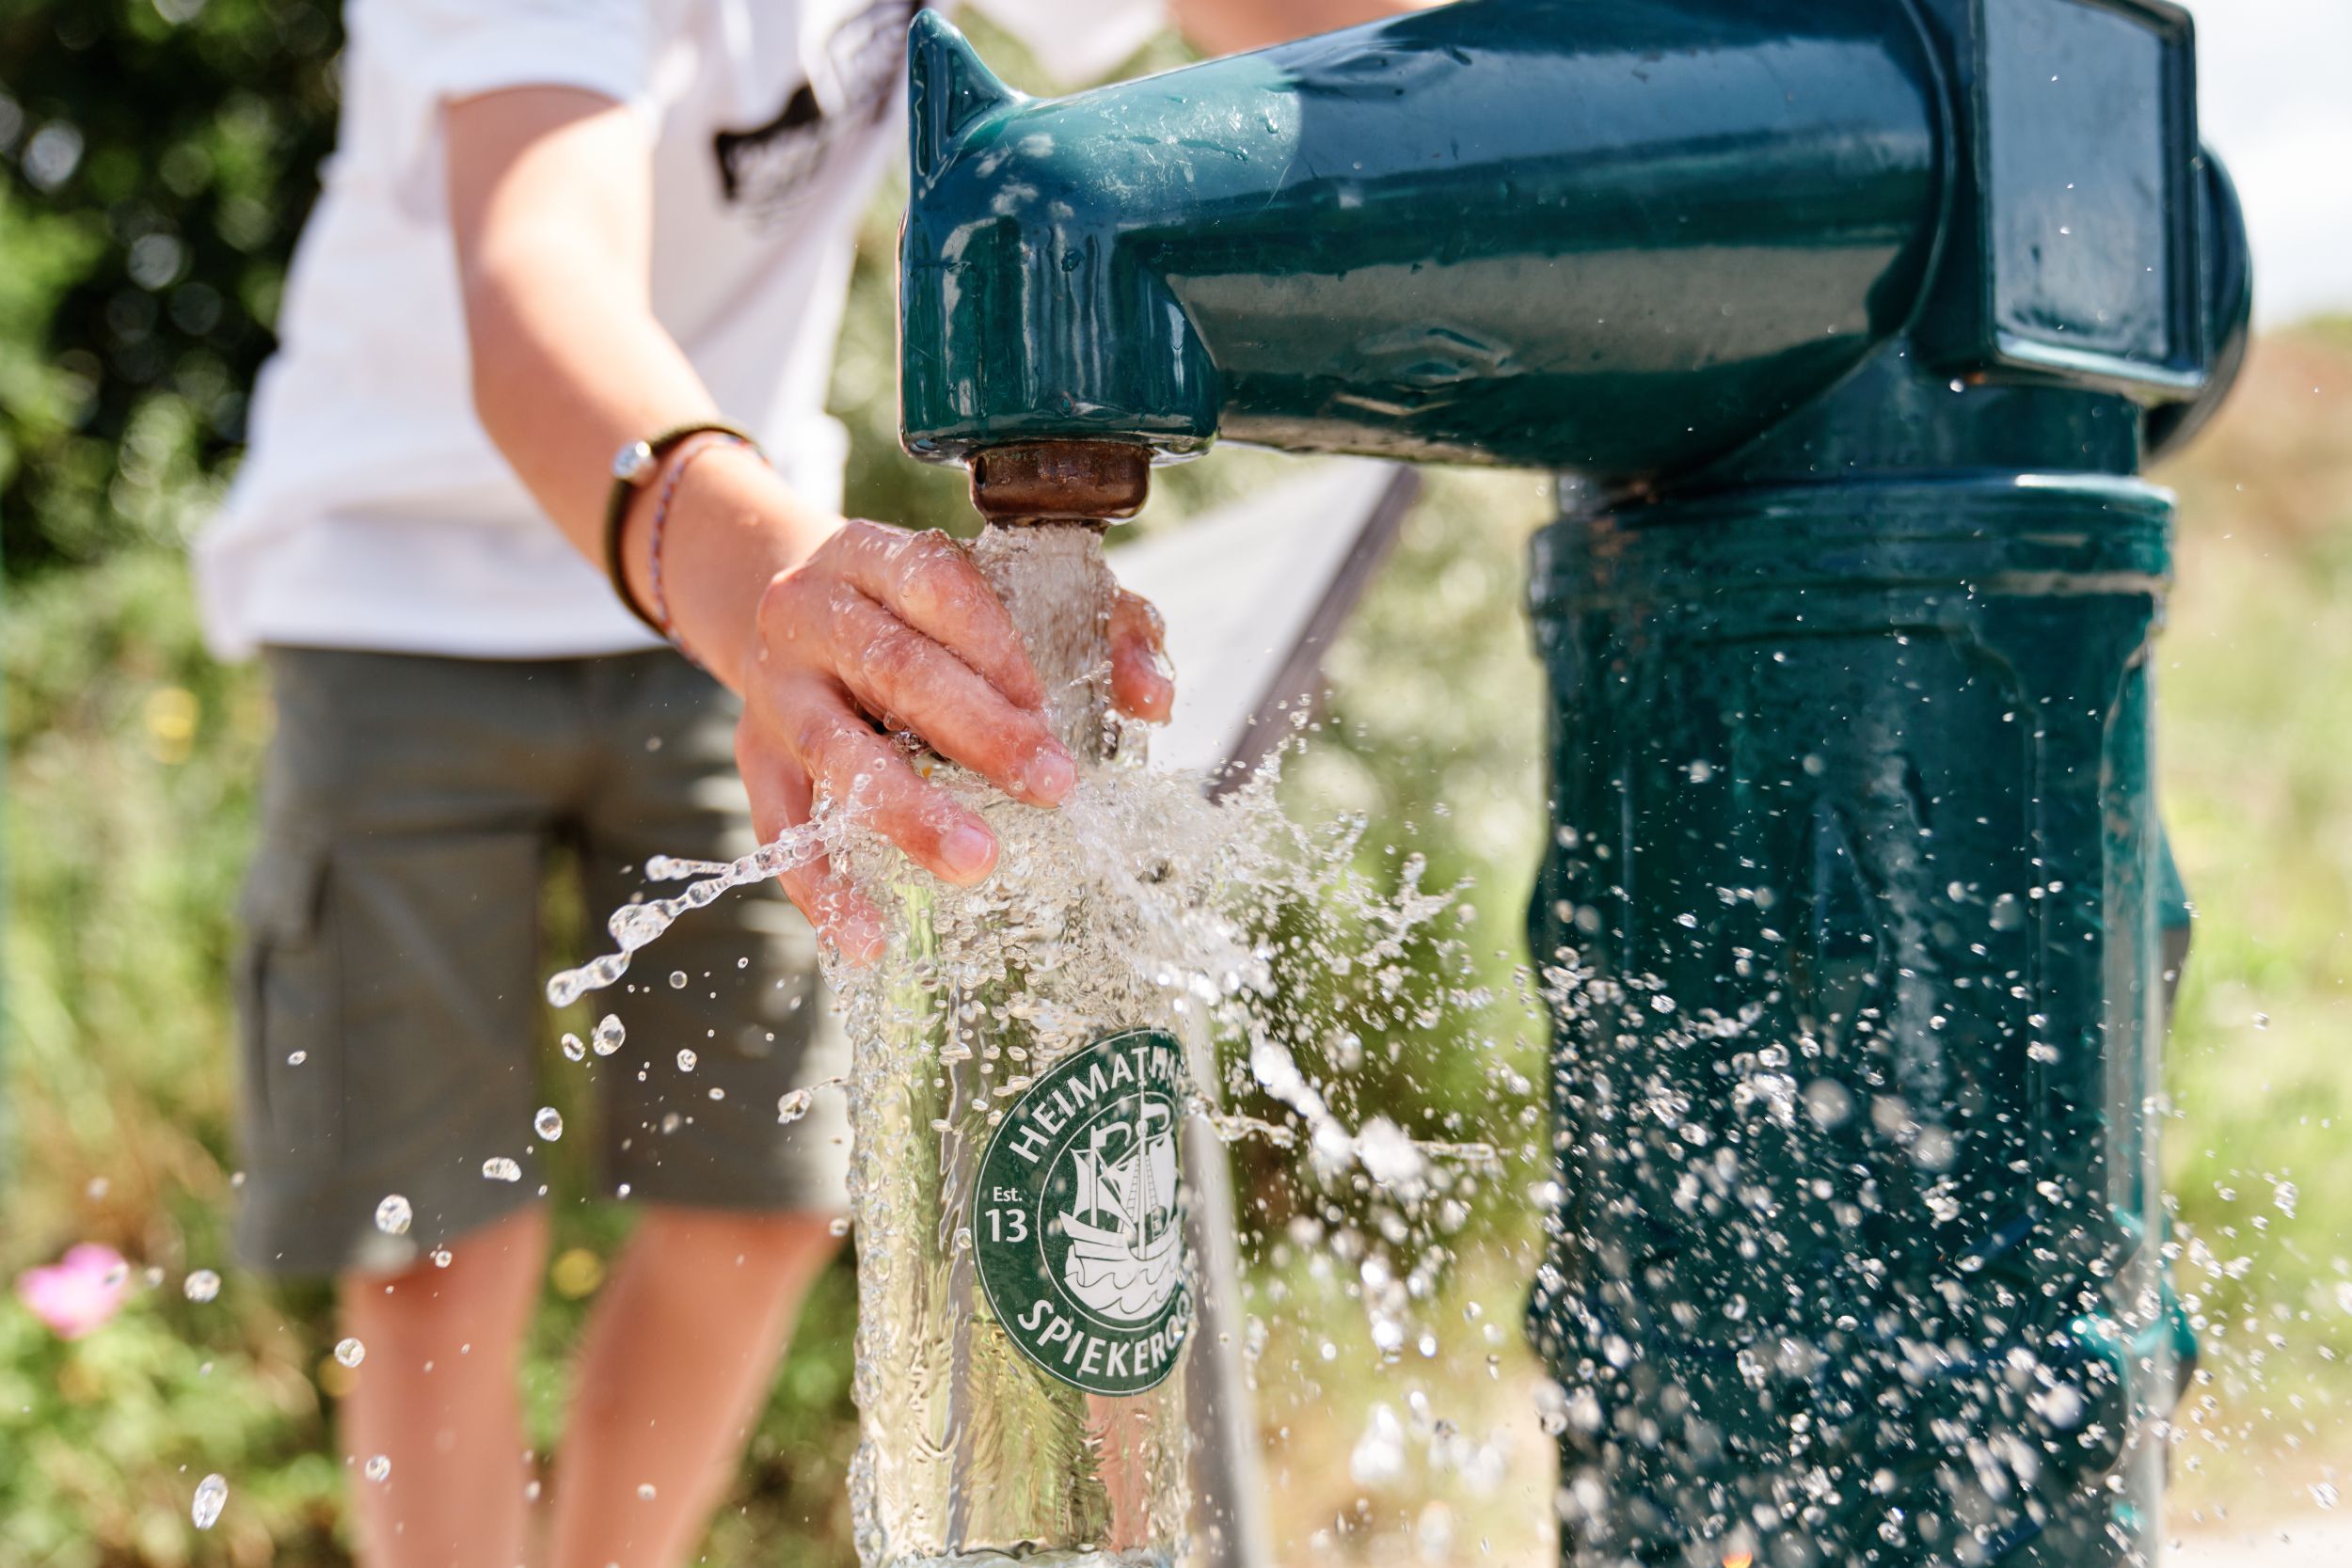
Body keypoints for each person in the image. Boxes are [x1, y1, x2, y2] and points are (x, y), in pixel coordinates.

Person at [193, 1, 1415, 1563]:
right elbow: (533, 282)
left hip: (736, 587)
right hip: (417, 592)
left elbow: (1322, 24)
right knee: (435, 1240)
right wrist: (768, 589)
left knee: (765, 1190)